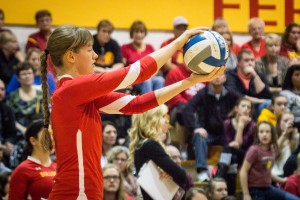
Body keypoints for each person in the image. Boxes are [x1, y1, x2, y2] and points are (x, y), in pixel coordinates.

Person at [39, 25, 225, 199]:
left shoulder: (77, 94)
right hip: (76, 193)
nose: (95, 56)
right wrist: (177, 43)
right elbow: (137, 72)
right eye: (89, 50)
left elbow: (137, 104)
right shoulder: (71, 90)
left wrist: (189, 82)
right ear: (71, 57)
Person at [182, 74, 241, 181]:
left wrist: (235, 115)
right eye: (214, 74)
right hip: (207, 133)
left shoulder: (231, 93)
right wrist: (196, 127)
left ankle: (226, 171)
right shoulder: (202, 94)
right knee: (198, 136)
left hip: (225, 134)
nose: (217, 77)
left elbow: (243, 103)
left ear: (225, 77)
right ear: (208, 78)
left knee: (234, 140)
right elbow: (187, 109)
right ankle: (202, 172)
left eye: (220, 74)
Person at [128, 105, 190, 199]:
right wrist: (171, 173)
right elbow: (181, 175)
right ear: (151, 120)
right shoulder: (150, 145)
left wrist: (169, 172)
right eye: (163, 116)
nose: (167, 121)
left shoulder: (141, 144)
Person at [239, 121, 298, 200]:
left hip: (268, 188)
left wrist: (282, 180)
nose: (264, 134)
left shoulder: (271, 150)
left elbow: (267, 172)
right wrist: (246, 194)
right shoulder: (254, 150)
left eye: (267, 132)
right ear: (257, 134)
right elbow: (243, 171)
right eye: (261, 132)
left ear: (272, 134)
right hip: (255, 190)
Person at [8, 118, 57, 200]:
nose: (52, 139)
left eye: (52, 134)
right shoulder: (23, 170)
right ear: (33, 141)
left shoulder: (58, 167)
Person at [216, 97, 256, 195]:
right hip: (231, 156)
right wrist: (232, 145)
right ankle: (231, 195)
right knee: (232, 158)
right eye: (243, 106)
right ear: (236, 108)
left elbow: (239, 145)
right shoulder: (227, 123)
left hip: (246, 156)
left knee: (230, 151)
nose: (246, 109)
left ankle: (218, 177)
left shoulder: (252, 125)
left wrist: (241, 126)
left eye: (248, 107)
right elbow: (227, 142)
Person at [121, 20, 164, 94]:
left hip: (150, 77)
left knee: (160, 80)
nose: (139, 34)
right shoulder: (125, 48)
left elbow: (156, 66)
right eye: (136, 32)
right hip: (134, 79)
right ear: (132, 33)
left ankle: (159, 104)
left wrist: (150, 76)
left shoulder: (150, 47)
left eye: (141, 32)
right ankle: (149, 105)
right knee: (147, 81)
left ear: (144, 33)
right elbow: (122, 67)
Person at [6, 62, 43, 138]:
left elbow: (45, 115)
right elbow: (10, 118)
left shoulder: (41, 94)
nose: (27, 76)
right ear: (18, 78)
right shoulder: (13, 96)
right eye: (24, 74)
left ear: (33, 75)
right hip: (19, 134)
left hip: (39, 132)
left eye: (29, 73)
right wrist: (23, 130)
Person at [272, 112, 299, 179]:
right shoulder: (272, 137)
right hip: (277, 175)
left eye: (292, 122)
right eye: (285, 121)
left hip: (292, 174)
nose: (289, 124)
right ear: (279, 123)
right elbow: (272, 153)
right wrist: (284, 134)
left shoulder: (296, 138)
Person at [281, 64, 300, 129]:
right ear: (290, 78)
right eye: (297, 75)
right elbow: (285, 114)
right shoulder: (285, 94)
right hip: (294, 125)